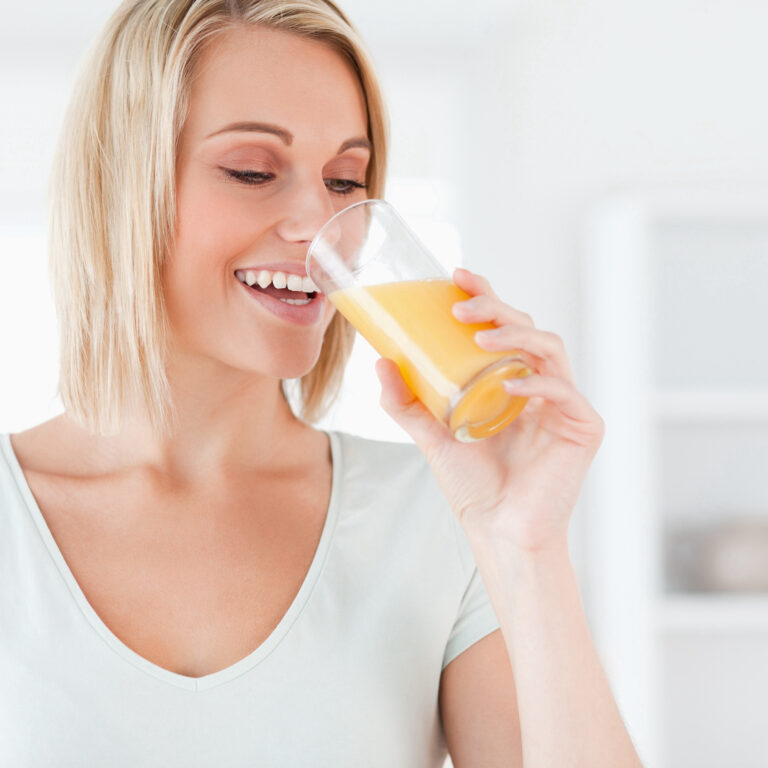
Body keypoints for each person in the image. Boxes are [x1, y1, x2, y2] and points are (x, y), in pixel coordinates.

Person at [0, 0, 642, 765]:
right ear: (120, 186)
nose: (315, 224)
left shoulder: (442, 519)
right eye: (252, 171)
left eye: (345, 180)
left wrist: (526, 549)